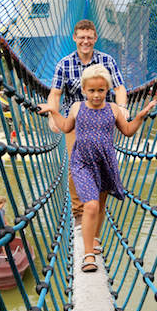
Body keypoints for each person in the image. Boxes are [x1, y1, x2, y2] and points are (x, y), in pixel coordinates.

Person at [39, 64, 156, 272]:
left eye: (101, 90)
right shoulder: (76, 107)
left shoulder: (113, 109)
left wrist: (140, 116)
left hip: (105, 162)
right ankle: (88, 255)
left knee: (101, 205)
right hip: (82, 162)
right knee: (90, 206)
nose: (96, 95)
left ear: (107, 90)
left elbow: (127, 131)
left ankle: (93, 238)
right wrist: (53, 111)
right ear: (84, 90)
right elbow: (66, 127)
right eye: (91, 90)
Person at [47, 19, 128, 243]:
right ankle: (80, 213)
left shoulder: (107, 61)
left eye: (89, 37)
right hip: (77, 118)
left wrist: (122, 108)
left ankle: (95, 210)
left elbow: (120, 88)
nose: (85, 41)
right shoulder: (64, 64)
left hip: (103, 117)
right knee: (76, 162)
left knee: (102, 165)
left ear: (95, 38)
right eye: (81, 37)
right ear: (75, 38)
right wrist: (51, 113)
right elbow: (55, 93)